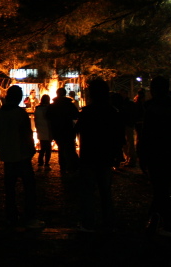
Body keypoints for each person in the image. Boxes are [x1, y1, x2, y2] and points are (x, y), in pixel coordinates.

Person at [139, 76, 171, 237]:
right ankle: (154, 220)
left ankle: (169, 224)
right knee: (162, 188)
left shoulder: (151, 108)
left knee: (160, 190)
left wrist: (143, 156)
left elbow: (146, 136)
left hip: (156, 154)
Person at [76, 79, 125, 232]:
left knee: (88, 191)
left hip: (89, 156)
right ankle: (108, 221)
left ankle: (88, 222)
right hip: (105, 156)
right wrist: (117, 155)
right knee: (105, 191)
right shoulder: (113, 112)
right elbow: (119, 136)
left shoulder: (87, 112)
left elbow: (76, 130)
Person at [0, 86, 44, 228]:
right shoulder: (19, 114)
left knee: (10, 188)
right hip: (21, 155)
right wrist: (31, 149)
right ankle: (30, 217)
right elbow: (26, 134)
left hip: (7, 155)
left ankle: (11, 216)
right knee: (29, 187)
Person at [46, 87, 80, 174]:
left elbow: (48, 116)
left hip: (57, 130)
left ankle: (63, 166)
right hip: (68, 129)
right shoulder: (69, 105)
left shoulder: (52, 106)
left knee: (61, 148)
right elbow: (76, 115)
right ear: (65, 94)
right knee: (70, 148)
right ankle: (72, 166)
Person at [34, 94, 52, 169]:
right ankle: (46, 163)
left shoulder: (38, 109)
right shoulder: (49, 108)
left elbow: (36, 119)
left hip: (40, 130)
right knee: (48, 148)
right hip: (48, 129)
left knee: (42, 147)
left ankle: (40, 161)